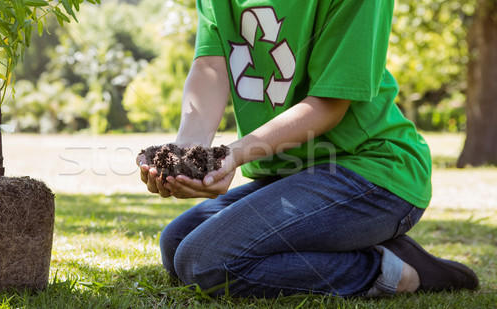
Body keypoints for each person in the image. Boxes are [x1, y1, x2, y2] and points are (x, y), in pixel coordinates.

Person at [136, 0, 478, 298]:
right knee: (176, 243)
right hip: (296, 173)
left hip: (372, 171)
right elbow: (212, 65)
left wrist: (234, 154)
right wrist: (186, 157)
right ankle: (349, 241)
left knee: (205, 262)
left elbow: (329, 104)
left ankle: (394, 271)